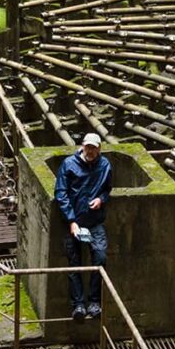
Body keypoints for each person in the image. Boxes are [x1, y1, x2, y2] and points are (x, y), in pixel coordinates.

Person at [54, 132, 111, 320]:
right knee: (74, 263)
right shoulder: (69, 164)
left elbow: (107, 189)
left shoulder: (104, 165)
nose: (91, 151)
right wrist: (71, 221)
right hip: (74, 223)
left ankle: (94, 302)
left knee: (100, 258)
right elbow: (60, 194)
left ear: (99, 149)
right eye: (88, 147)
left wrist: (101, 200)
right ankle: (78, 304)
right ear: (82, 146)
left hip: (94, 221)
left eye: (94, 148)